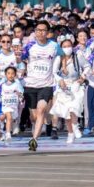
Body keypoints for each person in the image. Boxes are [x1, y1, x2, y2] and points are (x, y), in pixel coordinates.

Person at [21, 21, 62, 152]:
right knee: (33, 116)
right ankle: (47, 122)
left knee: (41, 110)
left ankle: (34, 140)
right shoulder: (30, 46)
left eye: (43, 30)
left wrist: (63, 69)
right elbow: (21, 59)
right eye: (38, 30)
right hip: (30, 84)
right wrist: (21, 68)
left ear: (48, 32)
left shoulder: (54, 46)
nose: (40, 32)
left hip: (46, 84)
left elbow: (64, 56)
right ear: (35, 32)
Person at [50, 37, 85, 143]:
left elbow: (87, 67)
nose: (67, 48)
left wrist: (82, 77)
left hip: (75, 85)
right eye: (64, 47)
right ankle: (70, 133)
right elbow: (54, 72)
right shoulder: (58, 59)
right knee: (66, 112)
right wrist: (60, 80)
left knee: (73, 108)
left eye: (69, 46)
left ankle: (75, 127)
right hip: (63, 86)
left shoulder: (78, 57)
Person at [0, 66, 24, 142]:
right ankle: (8, 134)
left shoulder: (17, 84)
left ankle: (3, 132)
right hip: (5, 106)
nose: (10, 75)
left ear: (15, 74)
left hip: (14, 106)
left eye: (12, 73)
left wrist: (19, 95)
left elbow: (22, 95)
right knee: (8, 116)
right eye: (8, 73)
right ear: (5, 74)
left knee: (5, 118)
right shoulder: (2, 84)